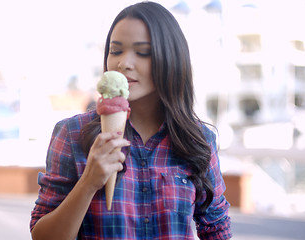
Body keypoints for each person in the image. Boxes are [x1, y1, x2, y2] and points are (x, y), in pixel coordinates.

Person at [30, 2, 232, 239]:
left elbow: (217, 228)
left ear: (171, 59)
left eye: (143, 52)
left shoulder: (198, 140)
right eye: (116, 51)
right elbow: (41, 235)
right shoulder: (72, 133)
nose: (123, 63)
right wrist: (88, 183)